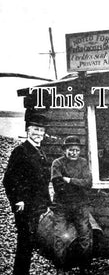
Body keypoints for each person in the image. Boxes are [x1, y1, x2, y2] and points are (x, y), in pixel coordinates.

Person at [3, 113, 52, 275]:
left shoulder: (40, 152)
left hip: (38, 204)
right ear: (28, 131)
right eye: (36, 129)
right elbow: (9, 179)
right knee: (25, 241)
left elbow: (42, 181)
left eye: (41, 130)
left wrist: (47, 201)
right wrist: (18, 200)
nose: (39, 133)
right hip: (25, 206)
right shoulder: (21, 150)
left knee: (30, 242)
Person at [51, 136, 93, 274]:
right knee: (60, 237)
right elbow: (58, 185)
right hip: (61, 206)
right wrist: (78, 184)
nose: (74, 153)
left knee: (85, 236)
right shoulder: (57, 163)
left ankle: (84, 267)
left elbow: (88, 183)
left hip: (81, 205)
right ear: (65, 150)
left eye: (76, 150)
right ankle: (60, 268)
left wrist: (69, 180)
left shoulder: (83, 162)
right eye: (70, 150)